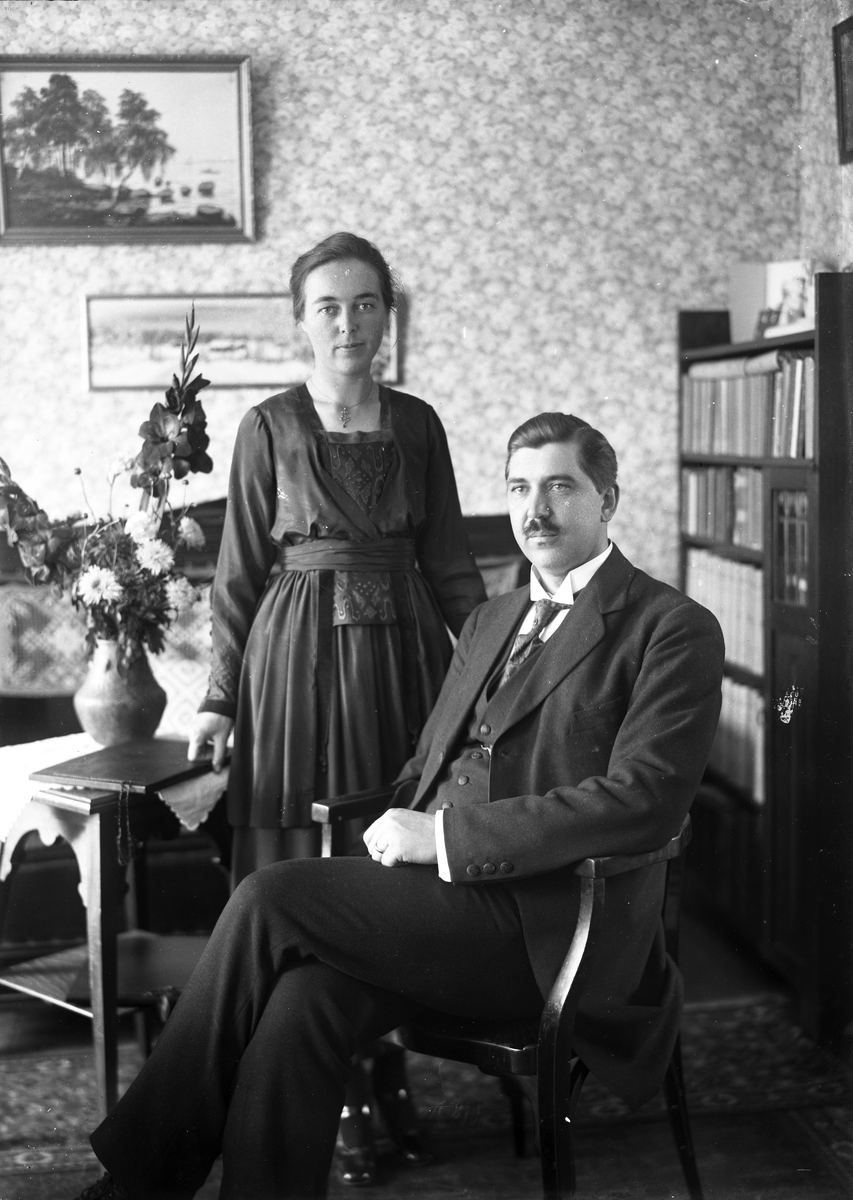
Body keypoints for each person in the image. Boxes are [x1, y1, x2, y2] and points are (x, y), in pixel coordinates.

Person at [75, 412, 725, 1200]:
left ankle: (135, 1184)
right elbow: (426, 763)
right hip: (441, 912)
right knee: (299, 1004)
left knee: (268, 896)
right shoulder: (489, 620)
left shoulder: (671, 628)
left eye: (560, 487)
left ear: (607, 500)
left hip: (552, 925)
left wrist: (444, 837)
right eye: (519, 489)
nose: (535, 510)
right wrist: (391, 845)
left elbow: (642, 802)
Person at [186, 232, 487, 1180]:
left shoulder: (420, 424)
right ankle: (324, 1085)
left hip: (403, 663)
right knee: (302, 858)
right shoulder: (266, 427)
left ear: (387, 315)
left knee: (391, 861)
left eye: (365, 303)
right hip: (295, 670)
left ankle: (386, 1071)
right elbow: (237, 575)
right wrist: (220, 700)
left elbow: (451, 566)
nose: (348, 322)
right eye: (328, 306)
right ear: (300, 322)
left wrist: (495, 677)